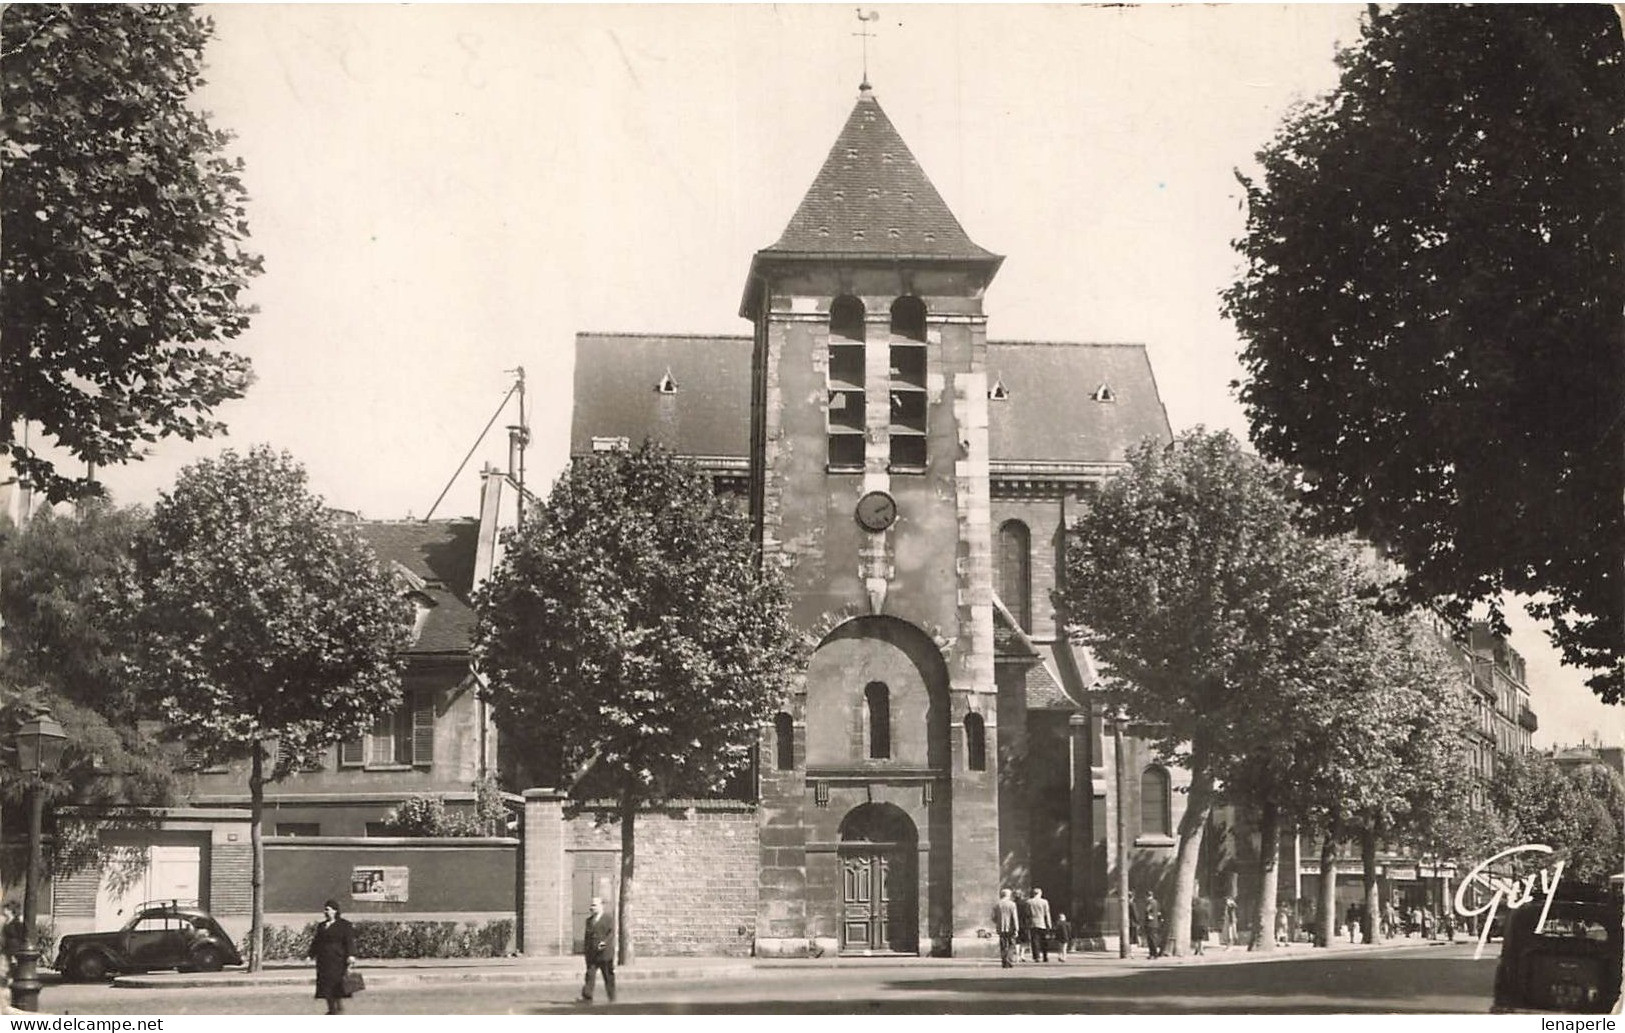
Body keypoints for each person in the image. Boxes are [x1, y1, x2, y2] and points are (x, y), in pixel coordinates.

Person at [307, 899, 356, 1015]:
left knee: (337, 986)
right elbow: (316, 942)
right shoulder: (321, 926)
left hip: (338, 961)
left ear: (335, 911)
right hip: (324, 961)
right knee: (326, 987)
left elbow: (349, 941)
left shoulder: (344, 925)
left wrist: (351, 955)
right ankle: (331, 1009)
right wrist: (310, 955)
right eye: (325, 910)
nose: (325, 912)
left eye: (328, 909)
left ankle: (338, 1009)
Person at [580, 896, 616, 1003]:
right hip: (592, 954)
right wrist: (586, 952)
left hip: (605, 954)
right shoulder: (589, 921)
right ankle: (587, 996)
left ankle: (612, 997)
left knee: (608, 976)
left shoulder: (608, 919)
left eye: (594, 905)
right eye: (591, 905)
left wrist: (605, 942)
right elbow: (587, 938)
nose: (592, 908)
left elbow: (611, 934)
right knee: (590, 975)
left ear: (601, 906)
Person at [992, 889, 1020, 969]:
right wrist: (1016, 928)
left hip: (1001, 927)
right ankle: (1009, 960)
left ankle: (1004, 961)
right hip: (1011, 927)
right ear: (1009, 895)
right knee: (1011, 944)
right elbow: (1014, 917)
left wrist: (998, 922)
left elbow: (993, 917)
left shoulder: (997, 904)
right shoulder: (1012, 904)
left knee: (1003, 944)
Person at [1026, 887, 1052, 962]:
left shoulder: (1029, 902)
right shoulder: (1044, 902)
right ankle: (1045, 956)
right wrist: (1049, 924)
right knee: (1044, 940)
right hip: (1042, 922)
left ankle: (1036, 956)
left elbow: (1027, 913)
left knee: (1034, 940)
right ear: (1040, 893)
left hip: (1033, 923)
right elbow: (1047, 913)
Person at [1144, 894, 1164, 959]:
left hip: (1150, 924)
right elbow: (1159, 913)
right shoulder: (1157, 903)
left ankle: (1153, 954)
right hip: (1155, 924)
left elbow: (1147, 910)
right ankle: (1153, 953)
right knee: (1153, 939)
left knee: (1151, 939)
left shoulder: (1151, 903)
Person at [1014, 890, 1031, 962]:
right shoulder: (1025, 903)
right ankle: (1022, 955)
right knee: (1023, 940)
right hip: (1024, 923)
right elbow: (1028, 914)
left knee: (1017, 940)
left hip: (1014, 923)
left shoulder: (1013, 903)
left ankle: (1017, 955)